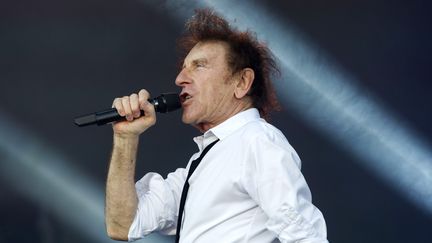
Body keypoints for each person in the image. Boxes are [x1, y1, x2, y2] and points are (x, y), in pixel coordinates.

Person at [105, 8, 328, 243]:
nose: (180, 78)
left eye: (199, 65)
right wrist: (125, 138)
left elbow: (305, 235)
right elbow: (123, 225)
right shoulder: (201, 164)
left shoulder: (257, 140)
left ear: (242, 82)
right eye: (184, 67)